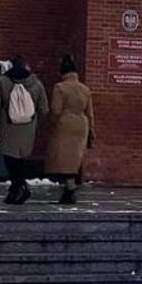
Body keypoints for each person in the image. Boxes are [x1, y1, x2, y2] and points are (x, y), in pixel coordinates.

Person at [0, 56, 49, 205]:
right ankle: (16, 188)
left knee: (10, 158)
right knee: (21, 158)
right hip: (28, 126)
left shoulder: (3, 81)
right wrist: (38, 123)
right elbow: (44, 109)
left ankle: (19, 186)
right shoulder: (36, 83)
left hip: (9, 124)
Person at [44, 55, 94, 205]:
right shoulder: (85, 89)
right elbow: (90, 113)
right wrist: (92, 130)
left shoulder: (60, 88)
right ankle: (69, 187)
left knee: (63, 157)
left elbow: (55, 110)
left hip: (64, 124)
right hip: (81, 124)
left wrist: (51, 123)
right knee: (74, 157)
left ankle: (69, 189)